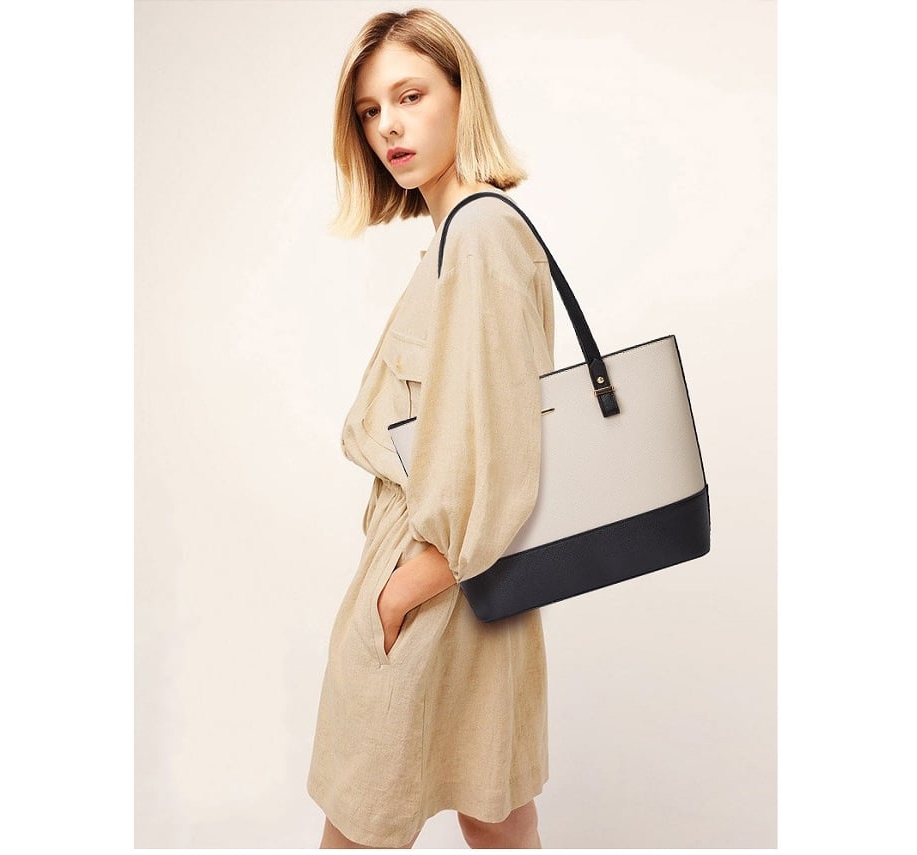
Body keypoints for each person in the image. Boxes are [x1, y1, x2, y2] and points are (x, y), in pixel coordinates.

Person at [307, 8, 556, 849]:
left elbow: (499, 441)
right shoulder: (463, 232)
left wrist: (402, 591)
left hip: (441, 569)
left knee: (362, 816)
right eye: (370, 110)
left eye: (410, 96)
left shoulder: (479, 232)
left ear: (461, 95)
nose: (389, 126)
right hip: (473, 575)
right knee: (495, 805)